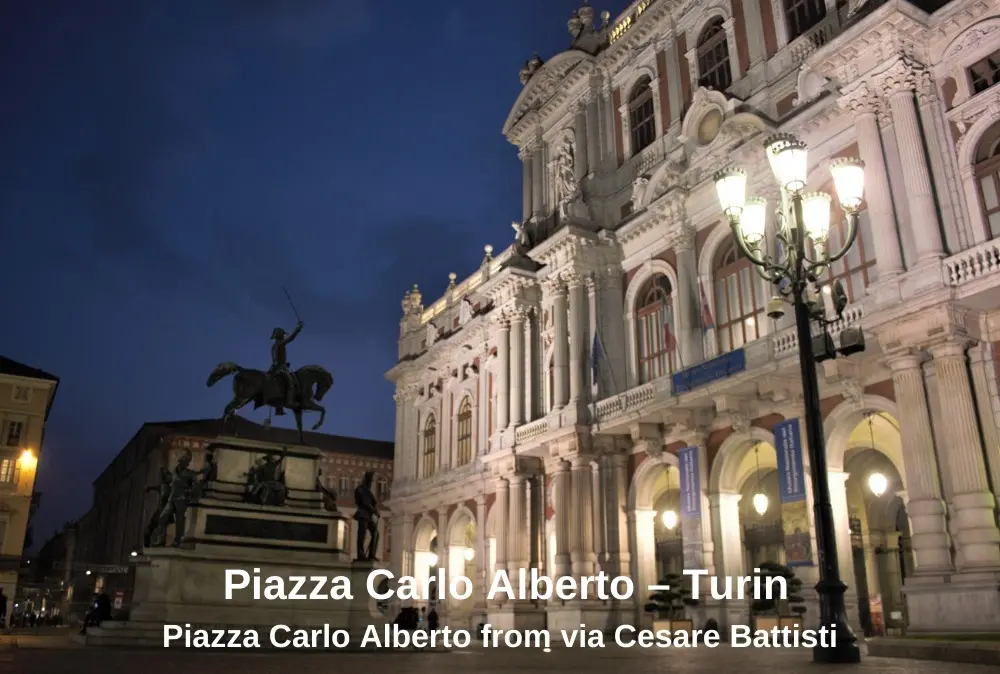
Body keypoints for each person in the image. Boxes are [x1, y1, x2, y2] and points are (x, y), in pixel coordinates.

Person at [269, 321, 303, 415]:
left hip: (274, 368)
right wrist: (298, 329)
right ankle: (289, 402)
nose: (284, 336)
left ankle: (279, 408)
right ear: (280, 335)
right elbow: (291, 338)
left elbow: (275, 359)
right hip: (280, 368)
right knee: (291, 382)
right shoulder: (281, 343)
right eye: (283, 335)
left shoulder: (273, 346)